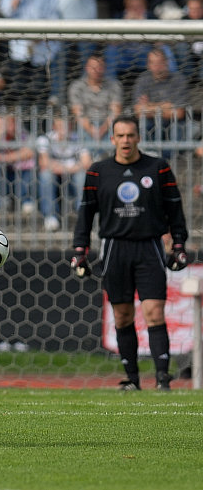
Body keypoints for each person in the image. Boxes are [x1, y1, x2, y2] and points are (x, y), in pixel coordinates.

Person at [71, 115, 189, 391]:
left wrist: (179, 244)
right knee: (122, 316)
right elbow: (85, 214)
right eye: (121, 136)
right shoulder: (98, 172)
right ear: (112, 139)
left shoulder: (158, 168)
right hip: (115, 248)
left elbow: (175, 209)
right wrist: (79, 250)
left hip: (149, 246)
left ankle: (162, 377)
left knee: (154, 312)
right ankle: (132, 379)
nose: (126, 140)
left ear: (138, 138)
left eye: (131, 135)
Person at [36, 116, 92, 232]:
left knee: (82, 176)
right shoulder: (45, 139)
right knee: (45, 175)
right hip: (56, 176)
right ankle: (50, 217)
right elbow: (44, 163)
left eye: (66, 126)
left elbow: (87, 163)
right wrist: (69, 167)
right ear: (54, 126)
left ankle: (82, 215)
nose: (64, 129)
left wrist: (62, 168)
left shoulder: (79, 138)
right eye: (60, 126)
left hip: (72, 176)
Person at [132, 47, 188, 143]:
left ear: (167, 62)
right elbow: (138, 111)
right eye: (153, 63)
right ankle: (146, 152)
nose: (157, 67)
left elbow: (179, 113)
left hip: (173, 122)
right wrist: (166, 106)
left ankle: (171, 153)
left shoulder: (178, 80)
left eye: (160, 62)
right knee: (143, 125)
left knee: (177, 129)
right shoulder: (143, 80)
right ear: (148, 65)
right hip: (150, 121)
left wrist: (149, 106)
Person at [69, 53, 123, 143]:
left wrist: (102, 130)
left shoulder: (114, 85)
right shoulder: (77, 86)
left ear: (105, 68)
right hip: (85, 125)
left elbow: (115, 112)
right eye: (92, 67)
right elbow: (78, 113)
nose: (96, 70)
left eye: (99, 67)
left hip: (108, 125)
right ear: (86, 68)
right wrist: (92, 131)